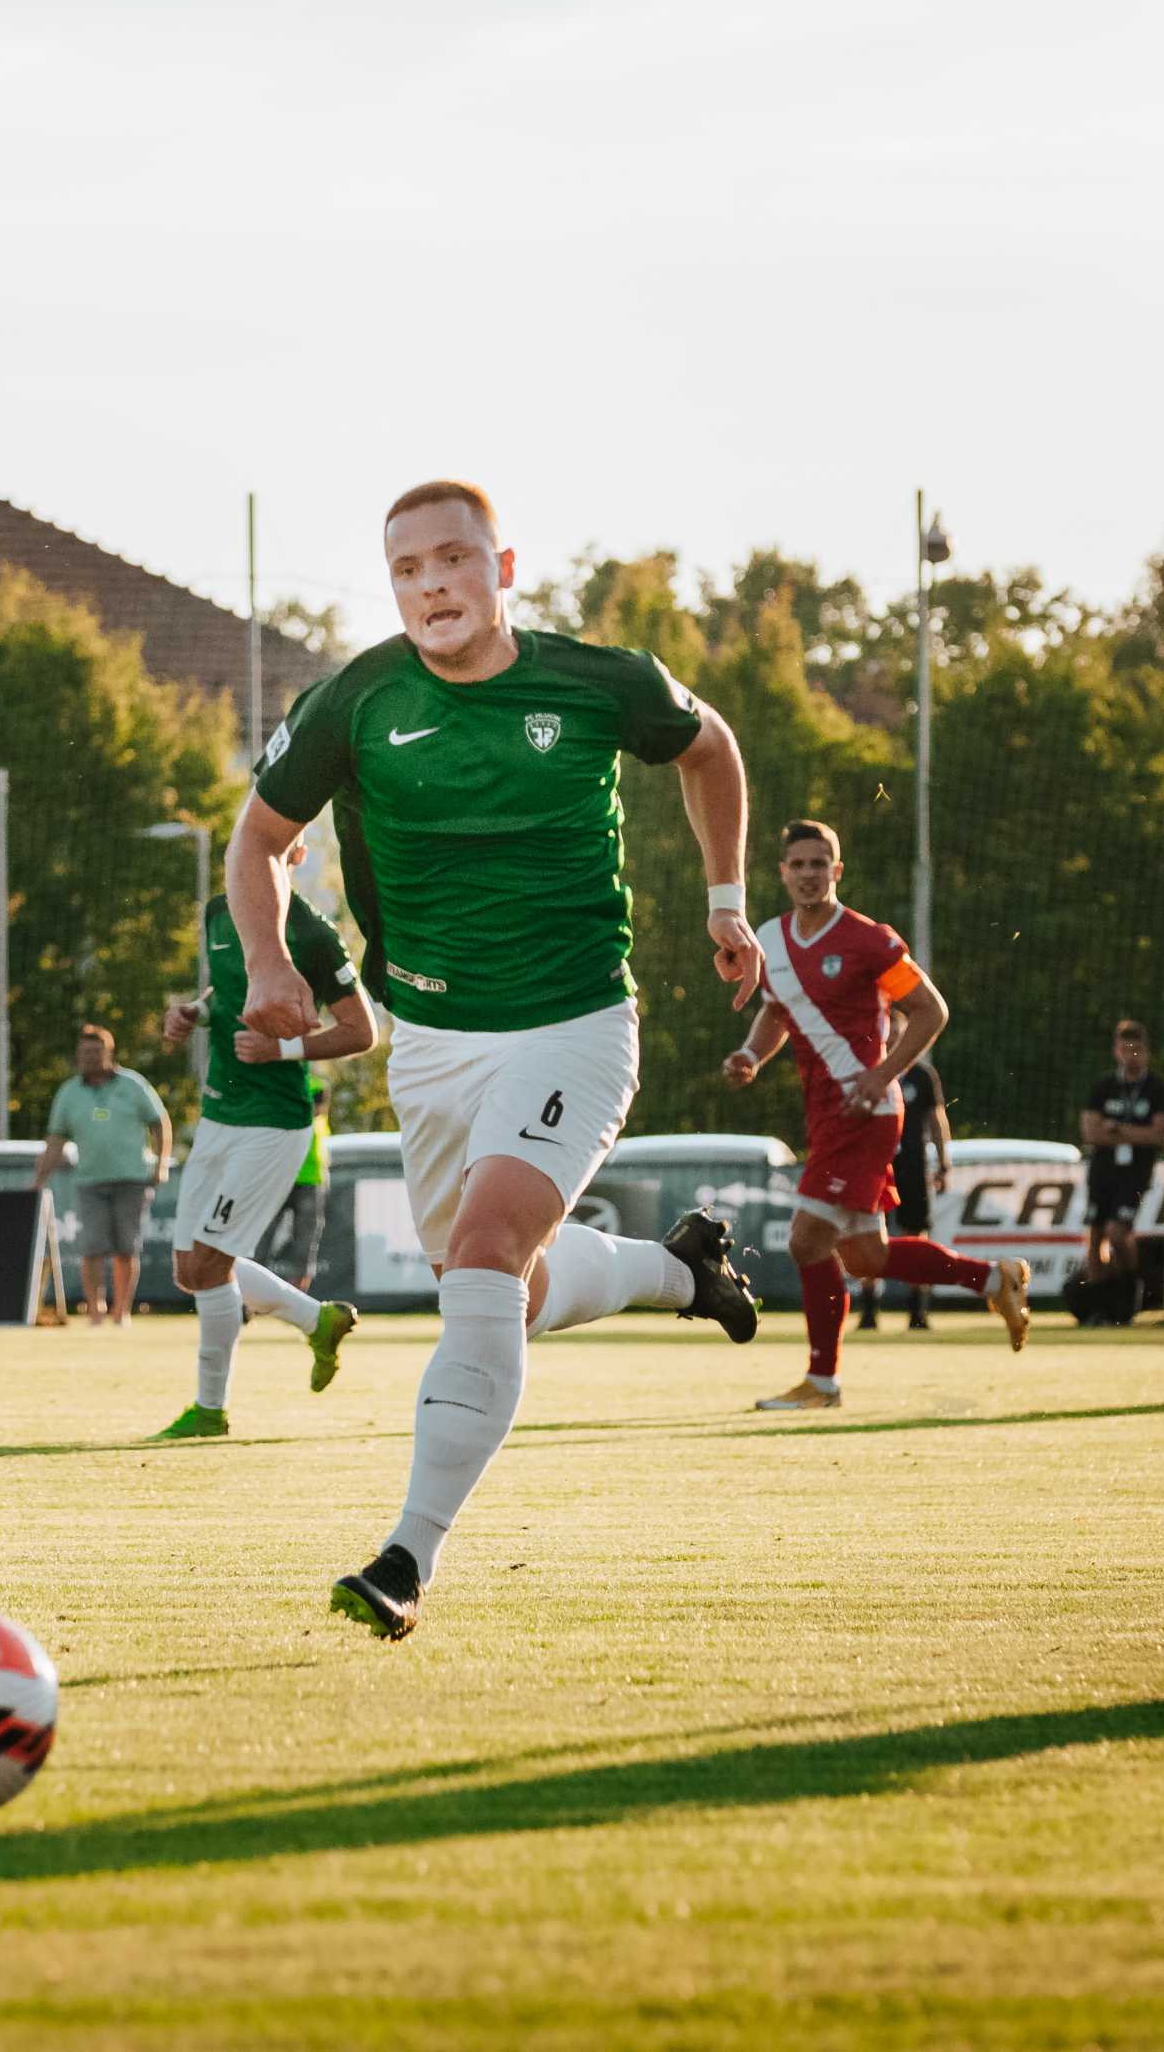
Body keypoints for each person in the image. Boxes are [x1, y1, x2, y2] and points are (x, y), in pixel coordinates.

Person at [231, 477, 766, 1642]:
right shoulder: (355, 699)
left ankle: (406, 1559)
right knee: (500, 1291)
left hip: (574, 1025)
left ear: (502, 567)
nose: (432, 585)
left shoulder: (595, 680)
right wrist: (274, 965)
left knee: (480, 1257)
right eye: (408, 569)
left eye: (453, 561)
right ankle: (680, 1272)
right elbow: (259, 839)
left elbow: (709, 746)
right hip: (429, 1043)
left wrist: (727, 902)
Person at [725, 820, 1030, 1409]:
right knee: (867, 1257)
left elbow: (930, 1011)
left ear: (837, 872)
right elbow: (774, 1015)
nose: (809, 874)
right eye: (799, 865)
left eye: (820, 864)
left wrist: (883, 1073)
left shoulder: (869, 941)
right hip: (826, 1114)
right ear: (783, 873)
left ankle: (822, 1381)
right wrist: (749, 1055)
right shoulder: (772, 939)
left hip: (864, 1112)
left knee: (807, 1241)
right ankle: (995, 1279)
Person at [148, 837, 374, 1438]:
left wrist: (285, 1050)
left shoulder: (315, 935)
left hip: (273, 1124)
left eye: (276, 849)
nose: (258, 858)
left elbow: (362, 1032)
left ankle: (210, 1411)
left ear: (295, 858)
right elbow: (233, 985)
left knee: (210, 1263)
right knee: (188, 1271)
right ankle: (316, 1320)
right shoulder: (220, 913)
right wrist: (194, 1012)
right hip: (220, 1115)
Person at [36, 1026, 171, 1327]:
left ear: (109, 1053)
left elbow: (160, 1123)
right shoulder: (70, 1092)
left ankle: (121, 1311)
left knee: (126, 1247)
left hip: (131, 1179)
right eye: (84, 1053)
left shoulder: (133, 1085)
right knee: (92, 1248)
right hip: (90, 1180)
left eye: (96, 1052)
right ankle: (95, 1312)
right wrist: (40, 1177)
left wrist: (160, 1164)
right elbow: (56, 1139)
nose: (90, 1058)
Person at [856, 1010, 952, 1332]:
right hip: (876, 1166)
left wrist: (943, 1161)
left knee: (916, 1234)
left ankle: (918, 1311)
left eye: (899, 1032)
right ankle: (869, 1311)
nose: (894, 1037)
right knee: (868, 1234)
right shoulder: (869, 1074)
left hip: (912, 1166)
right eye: (889, 1032)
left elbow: (937, 1121)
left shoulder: (922, 1076)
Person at [1079, 1020, 1164, 1290]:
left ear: (1146, 1051)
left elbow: (1159, 1135)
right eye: (1126, 1048)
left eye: (1137, 1049)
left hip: (1135, 1172)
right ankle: (1098, 1300)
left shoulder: (1155, 1088)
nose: (1132, 1055)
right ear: (1116, 1050)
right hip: (1103, 1169)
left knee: (1118, 1234)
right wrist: (1135, 1133)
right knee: (1095, 1236)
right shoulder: (1104, 1085)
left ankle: (1129, 1288)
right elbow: (1090, 1133)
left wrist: (1117, 1128)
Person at [265, 1073, 334, 1293]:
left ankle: (298, 1295)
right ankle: (250, 1295)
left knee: (305, 1243)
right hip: (279, 1176)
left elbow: (316, 1110)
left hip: (311, 1178)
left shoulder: (317, 1084)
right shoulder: (276, 1081)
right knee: (261, 1237)